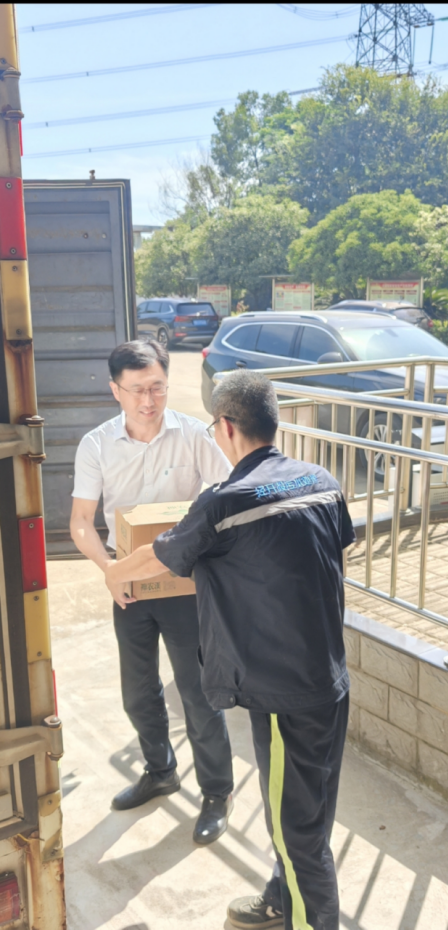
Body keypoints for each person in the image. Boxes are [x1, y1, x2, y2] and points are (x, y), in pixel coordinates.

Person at [106, 369, 355, 929]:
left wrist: (114, 572)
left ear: (225, 427)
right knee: (307, 814)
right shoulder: (321, 480)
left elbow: (162, 556)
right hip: (329, 680)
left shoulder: (224, 504)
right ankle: (279, 899)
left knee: (298, 835)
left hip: (286, 696)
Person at [70, 339, 234, 845]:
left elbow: (227, 499)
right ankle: (161, 770)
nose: (149, 400)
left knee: (198, 694)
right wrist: (109, 570)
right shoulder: (96, 444)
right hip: (130, 588)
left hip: (185, 585)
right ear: (115, 390)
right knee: (138, 693)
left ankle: (217, 792)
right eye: (137, 389)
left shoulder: (194, 436)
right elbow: (81, 522)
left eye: (158, 388)